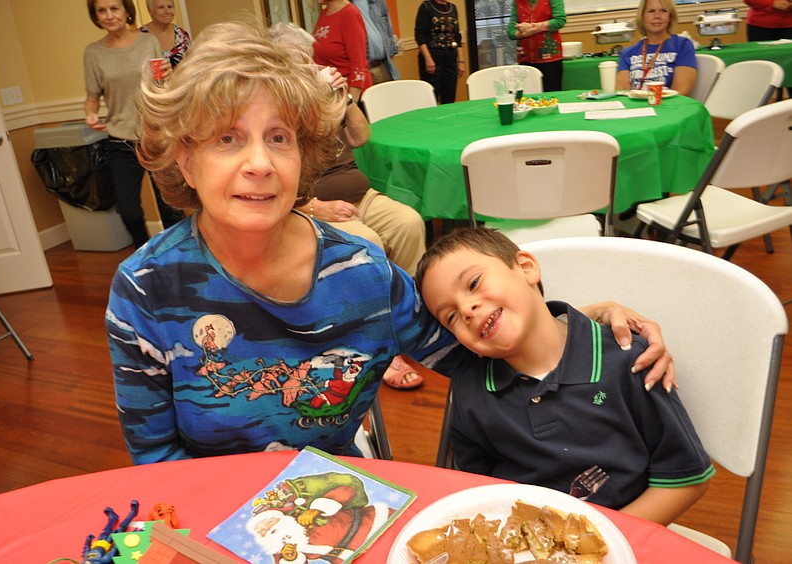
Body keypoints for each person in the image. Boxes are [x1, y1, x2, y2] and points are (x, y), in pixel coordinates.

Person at [108, 19, 673, 466]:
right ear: (184, 155)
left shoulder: (362, 273)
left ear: (302, 153)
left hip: (333, 504)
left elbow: (488, 349)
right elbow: (157, 460)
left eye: (278, 137)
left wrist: (579, 325)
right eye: (228, 139)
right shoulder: (146, 290)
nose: (259, 164)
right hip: (213, 519)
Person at [416, 227, 714, 525]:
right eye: (451, 317)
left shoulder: (629, 360)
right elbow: (473, 492)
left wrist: (599, 541)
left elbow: (686, 477)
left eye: (474, 282)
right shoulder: (470, 391)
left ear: (526, 267)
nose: (467, 309)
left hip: (625, 536)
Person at [273, 23, 428, 390]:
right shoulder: (279, 108)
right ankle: (379, 348)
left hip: (361, 196)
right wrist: (315, 208)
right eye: (296, 61)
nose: (308, 66)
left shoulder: (325, 95)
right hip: (313, 207)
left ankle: (412, 323)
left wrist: (344, 97)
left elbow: (361, 136)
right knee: (366, 242)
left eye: (308, 58)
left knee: (408, 222)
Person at [83, 0, 184, 249]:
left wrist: (169, 78)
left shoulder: (148, 42)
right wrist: (90, 114)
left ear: (127, 11)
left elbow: (162, 86)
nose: (109, 15)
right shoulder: (93, 53)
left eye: (114, 8)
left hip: (155, 135)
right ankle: (145, 253)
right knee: (127, 210)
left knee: (170, 206)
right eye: (102, 11)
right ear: (95, 16)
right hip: (120, 140)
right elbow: (92, 97)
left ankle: (178, 256)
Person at [615, 0, 697, 95]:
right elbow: (623, 92)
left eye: (663, 11)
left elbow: (680, 91)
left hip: (668, 107)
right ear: (642, 16)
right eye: (651, 11)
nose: (657, 16)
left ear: (670, 16)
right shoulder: (627, 53)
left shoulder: (682, 45)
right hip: (636, 107)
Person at [313, 0, 372, 103]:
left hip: (349, 96)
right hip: (332, 96)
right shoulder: (324, 13)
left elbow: (359, 66)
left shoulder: (350, 14)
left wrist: (351, 104)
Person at [508, 0, 566, 92]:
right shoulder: (517, 2)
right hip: (525, 60)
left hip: (550, 59)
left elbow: (560, 21)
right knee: (527, 96)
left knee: (552, 94)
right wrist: (525, 32)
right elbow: (510, 32)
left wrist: (533, 28)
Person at [414, 0, 464, 104]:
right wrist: (428, 60)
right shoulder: (426, 7)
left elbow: (457, 36)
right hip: (432, 55)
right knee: (432, 96)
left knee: (450, 96)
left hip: (451, 56)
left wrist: (461, 61)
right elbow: (419, 36)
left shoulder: (453, 8)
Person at [352, 0, 400, 85]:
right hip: (360, 71)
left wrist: (391, 52)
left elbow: (387, 26)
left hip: (382, 66)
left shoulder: (377, 1)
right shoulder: (344, 5)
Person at [140, 0, 192, 68]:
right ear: (150, 11)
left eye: (170, 7)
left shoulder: (182, 35)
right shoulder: (139, 36)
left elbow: (192, 64)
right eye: (161, 7)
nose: (167, 11)